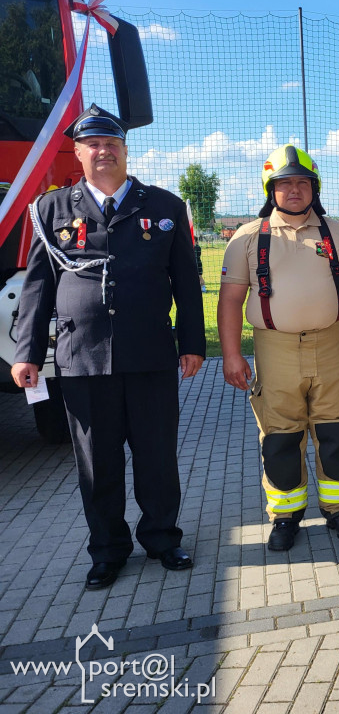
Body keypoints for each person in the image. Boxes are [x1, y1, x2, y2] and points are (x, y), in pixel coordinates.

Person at [10, 104, 205, 590]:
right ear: (78, 153)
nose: (103, 151)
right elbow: (37, 287)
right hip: (83, 357)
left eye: (112, 143)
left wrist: (192, 344)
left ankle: (162, 538)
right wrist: (26, 352)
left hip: (150, 354)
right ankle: (108, 550)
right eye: (93, 145)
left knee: (157, 456)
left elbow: (186, 281)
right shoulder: (51, 209)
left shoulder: (164, 206)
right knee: (97, 464)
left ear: (125, 150)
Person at [218, 145, 339, 550]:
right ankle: (285, 517)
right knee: (280, 438)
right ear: (270, 189)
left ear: (314, 188)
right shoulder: (247, 237)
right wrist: (232, 355)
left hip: (331, 346)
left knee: (336, 432)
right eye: (284, 183)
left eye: (302, 183)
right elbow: (231, 300)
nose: (293, 190)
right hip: (276, 350)